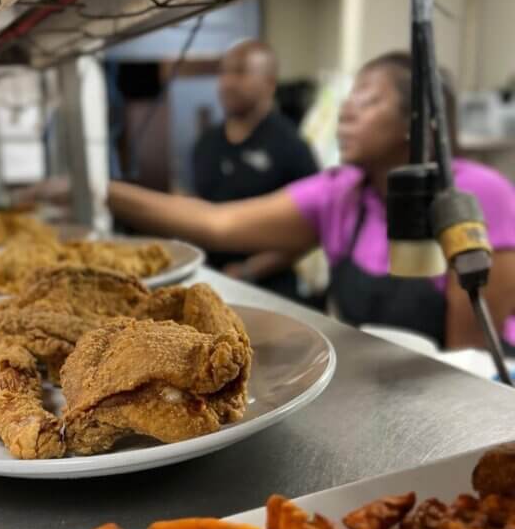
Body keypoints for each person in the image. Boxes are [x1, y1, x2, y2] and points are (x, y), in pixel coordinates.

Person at [109, 52, 515, 351]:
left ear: (419, 121)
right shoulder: (342, 191)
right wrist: (103, 190)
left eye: (368, 101)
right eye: (349, 99)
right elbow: (218, 223)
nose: (346, 113)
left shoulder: (479, 193)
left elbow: (470, 352)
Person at [188, 39, 318, 299]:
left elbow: (312, 229)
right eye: (223, 72)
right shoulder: (206, 142)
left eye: (240, 72)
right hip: (208, 285)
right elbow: (195, 207)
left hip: (269, 291)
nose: (227, 82)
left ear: (269, 82)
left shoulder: (291, 145)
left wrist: (248, 270)